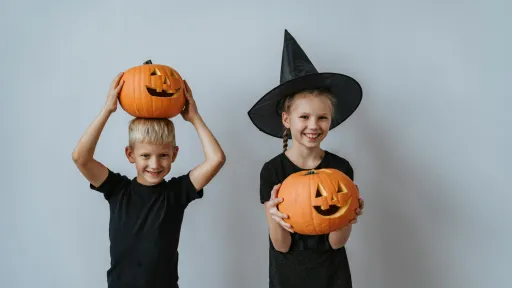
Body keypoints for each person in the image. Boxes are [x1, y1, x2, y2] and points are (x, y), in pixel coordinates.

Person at [72, 72, 226, 288]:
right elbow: (81, 158)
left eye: (163, 155)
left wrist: (194, 118)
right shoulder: (118, 190)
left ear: (174, 154)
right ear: (130, 155)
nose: (154, 165)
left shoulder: (176, 193)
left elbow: (216, 159)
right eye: (145, 156)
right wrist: (107, 110)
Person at [247, 29, 365, 288]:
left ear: (330, 120)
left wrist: (347, 217)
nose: (314, 125)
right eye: (304, 117)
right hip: (288, 277)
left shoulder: (340, 169)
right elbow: (282, 244)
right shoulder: (273, 170)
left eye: (322, 117)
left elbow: (336, 242)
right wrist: (271, 215)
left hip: (332, 277)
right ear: (286, 120)